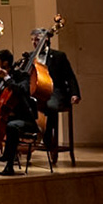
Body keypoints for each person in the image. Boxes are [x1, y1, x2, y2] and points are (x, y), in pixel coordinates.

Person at [34, 22, 81, 167]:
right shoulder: (31, 57)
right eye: (33, 40)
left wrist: (75, 93)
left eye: (37, 39)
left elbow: (70, 76)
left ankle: (48, 136)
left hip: (56, 91)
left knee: (51, 105)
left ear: (46, 39)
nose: (34, 42)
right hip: (37, 92)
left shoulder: (59, 56)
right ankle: (29, 139)